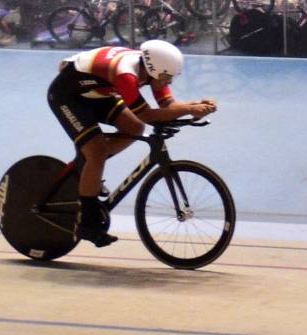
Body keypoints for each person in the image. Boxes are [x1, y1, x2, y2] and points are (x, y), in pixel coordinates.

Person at [47, 41, 216, 247]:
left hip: (98, 93)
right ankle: (88, 223)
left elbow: (168, 105)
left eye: (171, 77)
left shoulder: (151, 68)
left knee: (134, 129)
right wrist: (190, 109)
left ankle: (90, 169)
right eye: (165, 77)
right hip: (67, 96)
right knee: (97, 151)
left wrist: (196, 105)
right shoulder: (126, 74)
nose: (167, 82)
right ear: (152, 70)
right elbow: (148, 115)